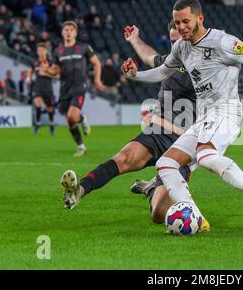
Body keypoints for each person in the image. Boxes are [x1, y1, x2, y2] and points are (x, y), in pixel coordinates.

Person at [122, 0, 243, 227]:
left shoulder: (222, 42)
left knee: (206, 156)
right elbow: (162, 72)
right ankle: (196, 218)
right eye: (177, 24)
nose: (181, 27)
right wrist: (135, 75)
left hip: (226, 111)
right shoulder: (181, 47)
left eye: (186, 21)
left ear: (200, 18)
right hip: (205, 117)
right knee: (165, 164)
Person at [58, 21, 201, 226]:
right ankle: (80, 189)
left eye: (178, 40)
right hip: (157, 132)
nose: (175, 45)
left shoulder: (204, 69)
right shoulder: (170, 62)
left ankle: (151, 188)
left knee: (159, 214)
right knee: (123, 157)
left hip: (183, 144)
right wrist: (134, 39)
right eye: (172, 40)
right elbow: (148, 56)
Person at [40, 21, 104, 156]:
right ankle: (81, 142)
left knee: (71, 115)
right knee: (70, 120)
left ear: (75, 33)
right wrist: (47, 71)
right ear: (62, 33)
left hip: (79, 87)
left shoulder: (84, 47)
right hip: (64, 89)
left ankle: (80, 130)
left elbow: (97, 64)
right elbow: (56, 71)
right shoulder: (58, 50)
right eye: (66, 30)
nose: (68, 32)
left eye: (71, 30)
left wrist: (97, 80)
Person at [27, 43, 57, 135]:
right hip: (37, 87)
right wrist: (28, 78)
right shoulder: (35, 62)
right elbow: (30, 70)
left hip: (48, 89)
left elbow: (57, 75)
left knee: (49, 108)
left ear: (46, 51)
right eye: (38, 50)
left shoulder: (50, 62)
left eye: (42, 50)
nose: (40, 52)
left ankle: (51, 124)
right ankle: (38, 124)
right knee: (38, 103)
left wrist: (45, 74)